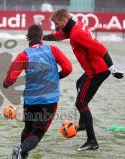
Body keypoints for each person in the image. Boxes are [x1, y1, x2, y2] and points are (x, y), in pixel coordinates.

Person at [43, 8, 124, 151]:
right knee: (78, 83)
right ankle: (83, 123)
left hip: (97, 71)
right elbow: (59, 35)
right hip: (95, 69)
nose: (56, 26)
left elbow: (101, 48)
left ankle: (92, 141)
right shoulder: (75, 26)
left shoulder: (76, 33)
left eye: (57, 23)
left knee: (81, 103)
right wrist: (41, 38)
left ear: (64, 20)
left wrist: (112, 68)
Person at [3, 24, 72, 159]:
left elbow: (10, 79)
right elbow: (68, 68)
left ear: (27, 37)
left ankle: (23, 155)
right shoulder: (53, 49)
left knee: (28, 129)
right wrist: (57, 76)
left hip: (30, 101)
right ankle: (21, 149)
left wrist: (6, 84)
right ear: (42, 37)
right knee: (38, 132)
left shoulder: (23, 55)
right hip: (49, 101)